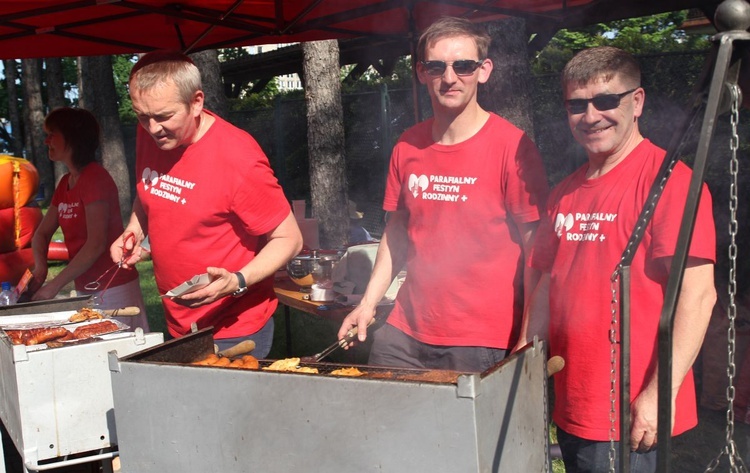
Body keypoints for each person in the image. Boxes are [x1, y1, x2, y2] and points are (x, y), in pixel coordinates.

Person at [517, 46, 716, 472]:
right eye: (577, 105)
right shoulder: (565, 191)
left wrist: (657, 396)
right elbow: (549, 282)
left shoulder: (669, 181)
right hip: (574, 399)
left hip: (628, 407)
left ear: (637, 102)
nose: (591, 116)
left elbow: (698, 297)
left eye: (607, 100)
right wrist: (520, 360)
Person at [337, 17, 549, 372]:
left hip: (481, 339)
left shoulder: (513, 148)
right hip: (404, 331)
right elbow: (397, 231)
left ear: (484, 70)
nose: (450, 78)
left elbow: (536, 254)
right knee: (382, 423)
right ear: (421, 72)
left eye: (463, 66)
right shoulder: (407, 144)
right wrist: (368, 303)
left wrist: (528, 336)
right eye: (437, 66)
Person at [111, 51, 302, 357]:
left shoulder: (238, 157)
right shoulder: (152, 131)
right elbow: (150, 186)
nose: (152, 128)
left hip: (234, 327)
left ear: (196, 102)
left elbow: (290, 239)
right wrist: (134, 229)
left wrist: (238, 281)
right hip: (179, 321)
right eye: (141, 115)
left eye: (163, 116)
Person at [30, 107, 149, 331]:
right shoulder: (66, 182)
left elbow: (95, 244)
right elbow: (42, 234)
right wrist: (41, 268)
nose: (47, 141)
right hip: (87, 287)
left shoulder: (95, 178)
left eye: (51, 134)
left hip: (114, 288)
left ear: (73, 138)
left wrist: (54, 285)